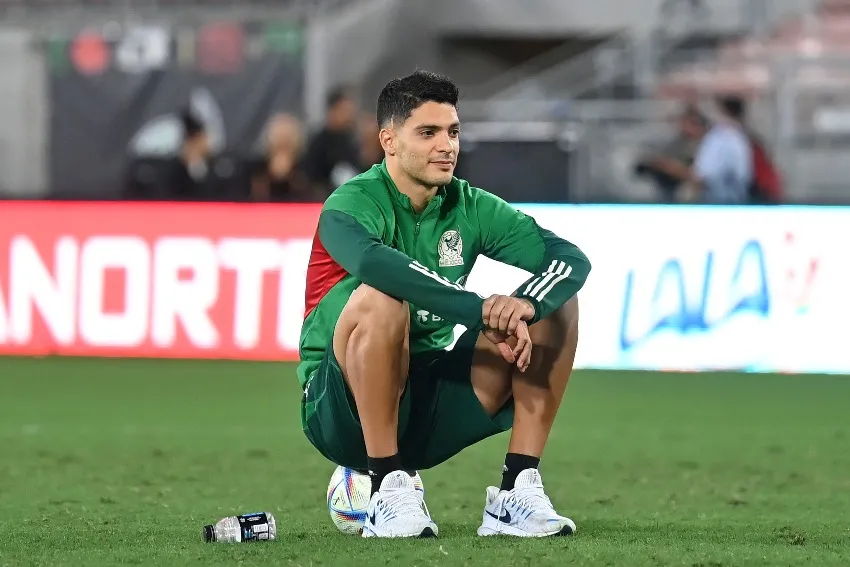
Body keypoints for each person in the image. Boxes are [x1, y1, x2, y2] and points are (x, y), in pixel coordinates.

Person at [298, 70, 591, 539]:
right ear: (388, 141)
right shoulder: (349, 205)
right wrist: (479, 313)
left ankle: (517, 490)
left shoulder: (469, 205)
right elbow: (378, 265)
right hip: (339, 410)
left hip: (428, 404)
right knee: (382, 299)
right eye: (428, 133)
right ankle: (386, 488)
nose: (447, 146)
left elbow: (569, 259)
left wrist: (524, 308)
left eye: (453, 132)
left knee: (555, 305)